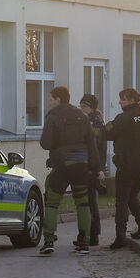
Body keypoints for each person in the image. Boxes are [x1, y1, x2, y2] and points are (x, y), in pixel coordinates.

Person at [38, 86, 104, 255]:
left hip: (61, 165)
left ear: (59, 99)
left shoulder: (52, 116)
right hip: (82, 165)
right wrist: (97, 169)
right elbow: (92, 145)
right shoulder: (82, 116)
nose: (49, 102)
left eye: (51, 98)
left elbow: (45, 143)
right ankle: (84, 243)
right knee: (83, 203)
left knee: (52, 202)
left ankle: (49, 240)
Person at [104, 88, 140, 249]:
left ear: (131, 100)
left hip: (127, 165)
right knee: (132, 196)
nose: (119, 102)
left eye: (122, 99)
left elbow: (106, 133)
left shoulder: (123, 118)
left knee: (122, 201)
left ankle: (120, 236)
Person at [78, 94, 107, 246]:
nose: (81, 109)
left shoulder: (95, 122)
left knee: (90, 201)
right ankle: (87, 234)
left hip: (93, 166)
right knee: (87, 200)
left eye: (84, 107)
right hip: (88, 165)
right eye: (80, 106)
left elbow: (94, 145)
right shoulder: (88, 120)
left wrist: (97, 168)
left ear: (92, 108)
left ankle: (93, 235)